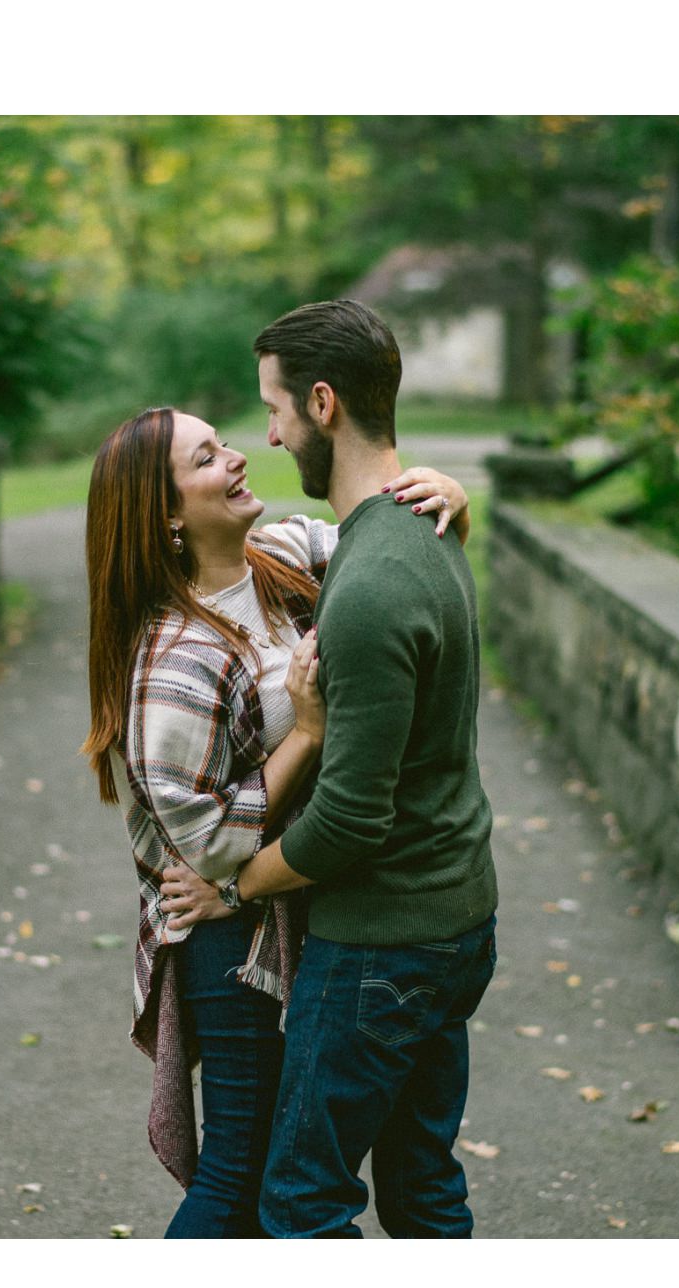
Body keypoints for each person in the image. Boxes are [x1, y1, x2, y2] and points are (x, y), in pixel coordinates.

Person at [81, 404, 471, 1237]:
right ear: (167, 515)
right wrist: (312, 735)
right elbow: (210, 844)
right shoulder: (174, 664)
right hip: (228, 941)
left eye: (224, 442)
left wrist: (447, 495)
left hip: (285, 901)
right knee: (238, 1174)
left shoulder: (281, 557)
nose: (236, 459)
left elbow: (382, 553)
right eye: (206, 460)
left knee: (271, 1178)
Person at [161, 300, 499, 1238]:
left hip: (383, 946)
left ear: (322, 404)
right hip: (454, 918)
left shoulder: (374, 579)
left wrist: (238, 890)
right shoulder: (413, 533)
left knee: (301, 1202)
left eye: (273, 411)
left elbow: (353, 822)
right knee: (425, 1189)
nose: (265, 438)